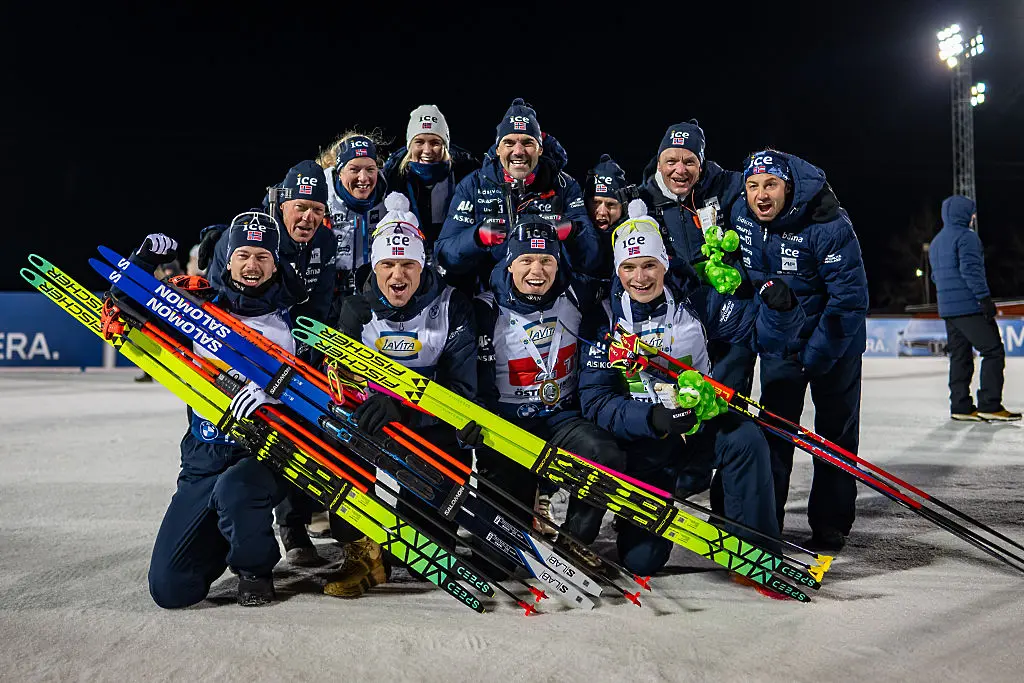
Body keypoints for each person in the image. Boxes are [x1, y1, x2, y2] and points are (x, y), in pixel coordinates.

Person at [578, 200, 803, 575]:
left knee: (744, 437)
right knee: (641, 562)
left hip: (700, 425)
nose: (641, 277)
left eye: (650, 265)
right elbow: (597, 401)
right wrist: (652, 418)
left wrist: (781, 310)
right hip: (646, 441)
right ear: (618, 270)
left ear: (664, 264)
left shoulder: (697, 300)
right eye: (629, 267)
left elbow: (760, 336)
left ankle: (755, 551)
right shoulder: (604, 319)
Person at [326, 192, 479, 596]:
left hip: (429, 429)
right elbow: (342, 385)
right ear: (375, 266)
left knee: (429, 556)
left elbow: (463, 391)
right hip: (372, 425)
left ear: (422, 264)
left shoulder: (451, 305)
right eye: (388, 264)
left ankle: (420, 526)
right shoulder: (356, 309)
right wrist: (366, 402)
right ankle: (362, 549)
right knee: (338, 437)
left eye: (408, 263)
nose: (398, 275)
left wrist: (402, 407)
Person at [143, 213, 298, 607]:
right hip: (205, 456)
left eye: (263, 256)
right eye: (243, 254)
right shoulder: (198, 308)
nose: (252, 265)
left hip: (267, 454)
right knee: (172, 589)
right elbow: (132, 315)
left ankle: (254, 568)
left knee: (237, 491)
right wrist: (141, 265)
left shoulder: (295, 318)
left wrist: (280, 394)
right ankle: (222, 530)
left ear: (276, 262)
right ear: (227, 259)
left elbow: (325, 389)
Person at [198, 161, 339, 566]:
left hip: (300, 341)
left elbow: (323, 298)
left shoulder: (324, 242)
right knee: (263, 437)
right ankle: (283, 528)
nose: (308, 216)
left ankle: (296, 519)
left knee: (305, 430)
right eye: (300, 206)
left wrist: (316, 348)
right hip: (256, 348)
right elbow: (221, 299)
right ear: (282, 205)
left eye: (317, 208)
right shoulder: (250, 232)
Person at [730, 149, 869, 551]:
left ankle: (831, 522)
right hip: (781, 344)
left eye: (770, 185)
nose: (761, 195)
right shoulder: (742, 216)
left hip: (835, 344)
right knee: (774, 432)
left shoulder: (827, 222)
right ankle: (766, 523)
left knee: (836, 435)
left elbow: (849, 300)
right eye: (753, 186)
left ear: (788, 187)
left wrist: (816, 354)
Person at [474, 218, 626, 568]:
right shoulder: (485, 308)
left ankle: (574, 540)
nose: (537, 270)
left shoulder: (577, 294)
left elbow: (632, 279)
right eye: (526, 260)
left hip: (561, 418)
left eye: (547, 261)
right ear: (509, 263)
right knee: (493, 563)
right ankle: (526, 507)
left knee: (603, 453)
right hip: (508, 427)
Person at [435, 98, 602, 291]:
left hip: (550, 295)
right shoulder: (473, 186)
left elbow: (592, 259)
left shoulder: (565, 185)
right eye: (509, 142)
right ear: (498, 149)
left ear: (540, 149)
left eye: (527, 142)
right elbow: (445, 256)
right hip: (491, 297)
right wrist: (476, 238)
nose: (518, 151)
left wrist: (573, 232)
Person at [929, 195, 1020, 421]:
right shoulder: (966, 237)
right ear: (964, 214)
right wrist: (984, 298)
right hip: (968, 305)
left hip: (948, 309)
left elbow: (934, 276)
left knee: (960, 355)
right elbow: (971, 271)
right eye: (971, 213)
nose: (973, 217)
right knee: (993, 351)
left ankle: (960, 405)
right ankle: (990, 404)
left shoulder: (937, 241)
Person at [382, 105, 480, 263]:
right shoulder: (391, 176)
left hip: (455, 261)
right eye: (419, 142)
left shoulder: (467, 173)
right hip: (408, 258)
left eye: (435, 142)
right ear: (410, 145)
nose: (427, 150)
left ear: (445, 145)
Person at [317, 132, 387, 311]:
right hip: (325, 293)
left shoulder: (389, 191)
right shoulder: (318, 191)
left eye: (370, 169)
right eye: (354, 169)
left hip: (374, 292)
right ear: (339, 171)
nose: (363, 178)